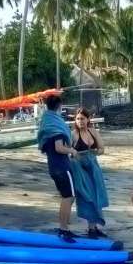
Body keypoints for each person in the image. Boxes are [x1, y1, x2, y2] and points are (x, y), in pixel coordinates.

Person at [36, 94, 80, 242]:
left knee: (67, 197)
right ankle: (63, 229)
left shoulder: (46, 122)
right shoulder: (55, 125)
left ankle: (65, 228)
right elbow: (59, 147)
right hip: (62, 167)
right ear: (60, 106)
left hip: (54, 166)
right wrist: (72, 151)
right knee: (69, 197)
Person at [70, 108, 109, 238]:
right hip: (80, 169)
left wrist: (94, 152)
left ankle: (94, 227)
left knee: (97, 195)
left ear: (88, 119)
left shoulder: (93, 132)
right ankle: (91, 228)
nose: (80, 121)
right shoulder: (73, 134)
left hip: (93, 167)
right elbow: (68, 152)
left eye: (82, 118)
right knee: (87, 196)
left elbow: (102, 148)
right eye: (78, 119)